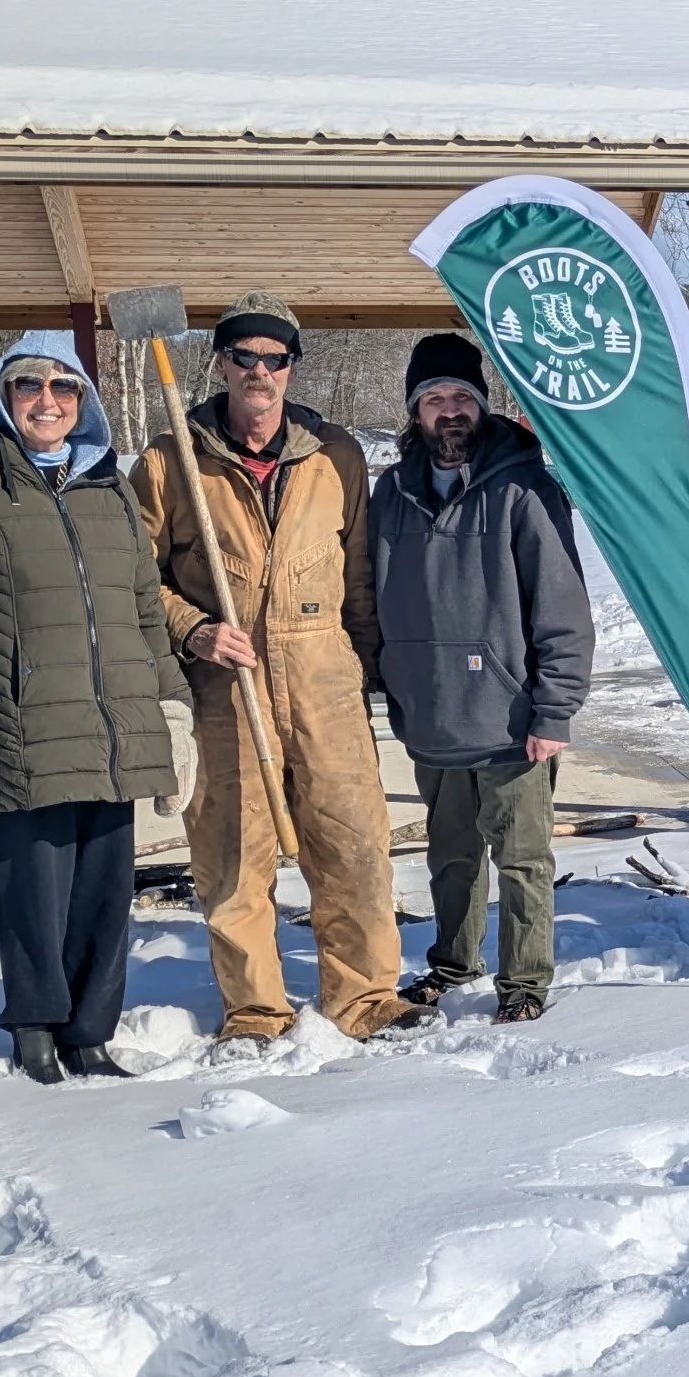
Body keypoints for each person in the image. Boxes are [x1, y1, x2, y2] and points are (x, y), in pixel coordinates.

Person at [130, 292, 425, 1047]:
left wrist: (361, 669)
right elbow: (134, 577)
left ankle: (364, 997)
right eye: (244, 356)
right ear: (221, 363)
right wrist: (193, 630)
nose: (260, 371)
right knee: (231, 859)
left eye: (275, 358)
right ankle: (257, 1009)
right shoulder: (171, 462)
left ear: (292, 368)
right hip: (226, 687)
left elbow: (359, 572)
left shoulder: (336, 456)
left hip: (323, 672)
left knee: (354, 845)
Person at [0, 331, 194, 1083]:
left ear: (83, 404)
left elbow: (141, 609)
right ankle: (34, 1028)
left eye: (65, 389)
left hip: (113, 722)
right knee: (34, 890)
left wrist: (171, 709)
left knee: (105, 890)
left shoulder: (111, 490)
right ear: (3, 394)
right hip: (20, 721)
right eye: (31, 385)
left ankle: (90, 1032)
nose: (48, 401)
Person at [371, 335, 594, 1025]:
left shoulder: (524, 486)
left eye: (461, 397)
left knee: (523, 857)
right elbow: (370, 597)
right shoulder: (391, 493)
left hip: (510, 720)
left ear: (482, 404)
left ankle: (524, 979)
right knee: (451, 856)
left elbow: (562, 606)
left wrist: (553, 711)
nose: (449, 411)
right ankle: (453, 960)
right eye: (434, 399)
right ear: (415, 412)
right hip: (434, 716)